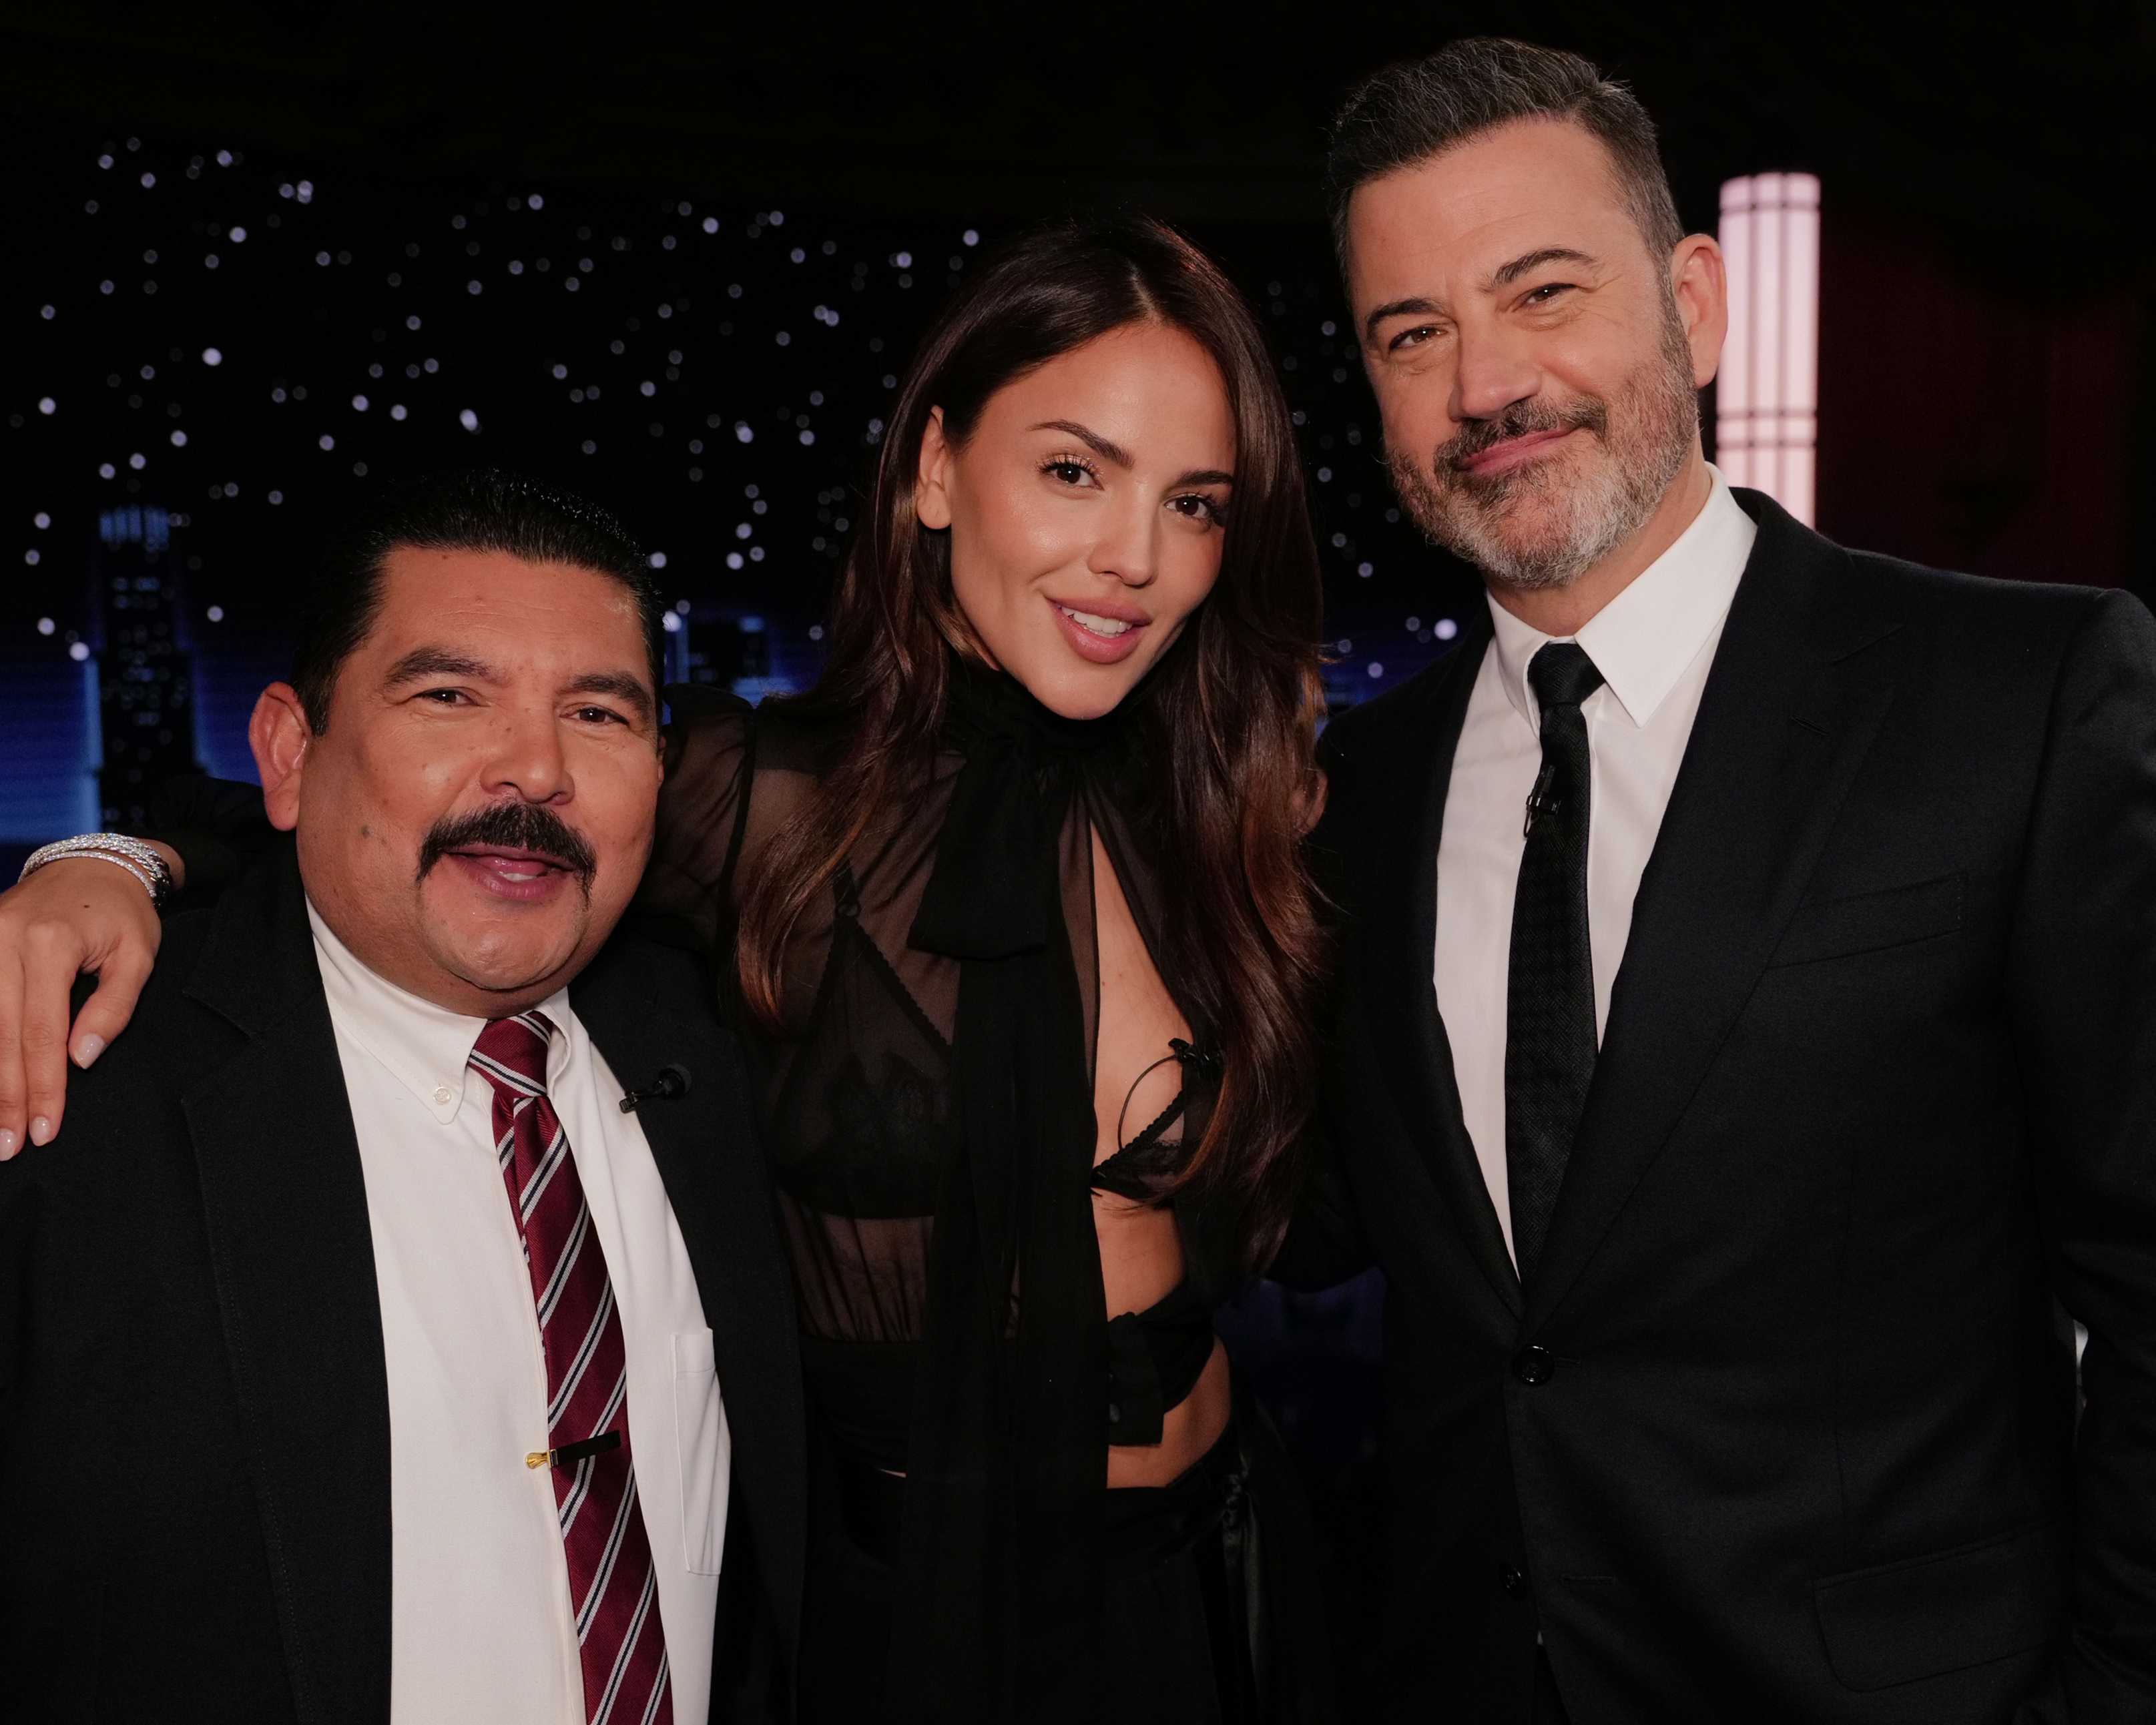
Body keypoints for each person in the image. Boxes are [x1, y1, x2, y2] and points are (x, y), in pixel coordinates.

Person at [0, 218, 1340, 1724]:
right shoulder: (749, 797)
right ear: (937, 471)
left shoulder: (1223, 811)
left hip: (1216, 1573)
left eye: (1197, 501)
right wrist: (105, 867)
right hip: (926, 1625)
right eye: (1074, 471)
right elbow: (432, 821)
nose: (1136, 556)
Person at [1273, 35, 2156, 1722]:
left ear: (1696, 299)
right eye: (1414, 333)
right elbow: (1317, 1238)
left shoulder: (2016, 697)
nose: (1484, 384)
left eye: (1542, 292)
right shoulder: (1349, 802)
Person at [0, 472, 804, 1722]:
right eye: (449, 695)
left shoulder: (731, 1047)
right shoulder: (64, 1080)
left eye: (597, 712)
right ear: (289, 751)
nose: (533, 767)